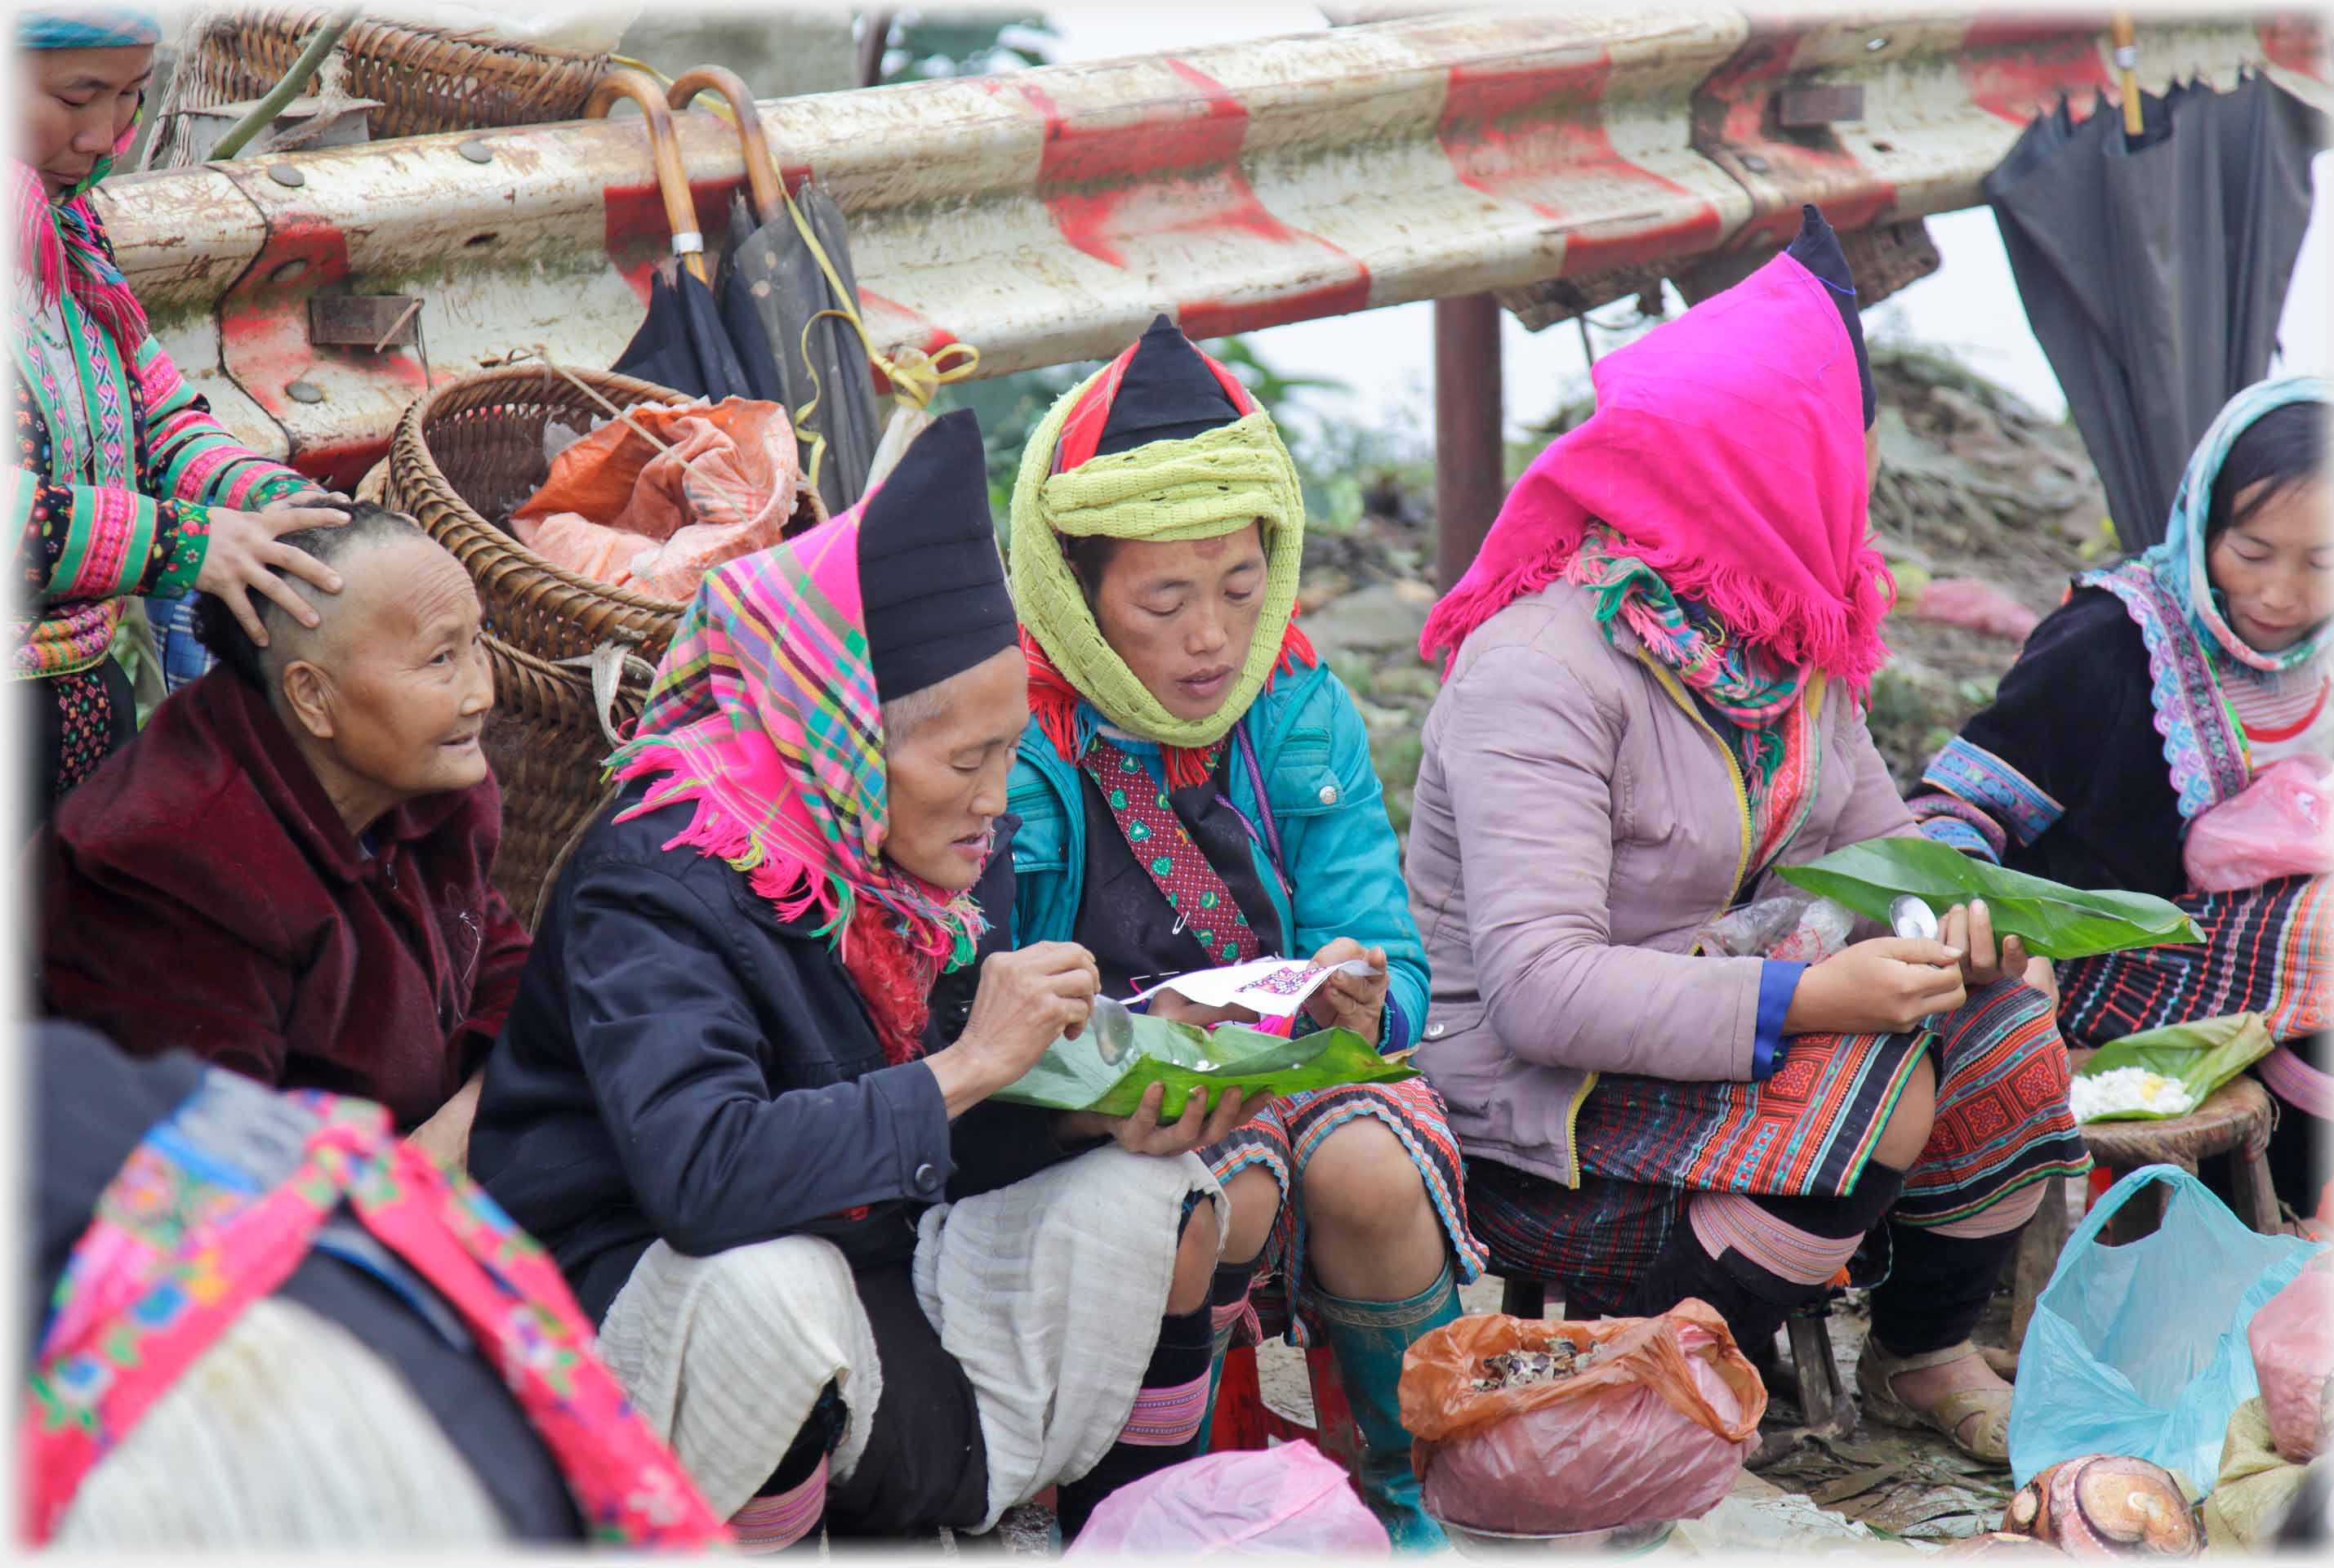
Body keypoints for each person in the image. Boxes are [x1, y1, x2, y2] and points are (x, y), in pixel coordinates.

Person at [467, 412, 1247, 1550]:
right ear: (835, 741)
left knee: (1147, 1199)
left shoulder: (929, 866)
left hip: (868, 1265)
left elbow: (948, 1139)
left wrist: (1101, 1101)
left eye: (1011, 750)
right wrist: (971, 1062)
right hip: (638, 1323)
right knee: (767, 1293)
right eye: (965, 761)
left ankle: (1131, 1538)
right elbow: (702, 1180)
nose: (997, 797)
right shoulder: (660, 878)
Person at [1407, 207, 2089, 1467]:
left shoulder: (1782, 631)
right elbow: (1541, 989)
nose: (1856, 498)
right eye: (1840, 464)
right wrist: (1820, 992)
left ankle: (1919, 1352)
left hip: (1720, 1020)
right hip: (1545, 1090)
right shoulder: (1539, 674)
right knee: (1868, 1079)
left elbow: (1885, 853)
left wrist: (1957, 940)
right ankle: (1647, 1383)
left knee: (2009, 1036)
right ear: (1754, 475)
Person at [1004, 316, 1485, 1548]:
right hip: (1090, 1098)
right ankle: (1137, 1495)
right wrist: (1127, 1042)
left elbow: (1393, 949)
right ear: (1076, 592)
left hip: (1287, 1069)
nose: (1214, 635)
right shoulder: (1019, 746)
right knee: (1220, 1199)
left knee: (1371, 1163)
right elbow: (977, 999)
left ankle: (1407, 1478)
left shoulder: (1298, 710)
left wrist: (1367, 992)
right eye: (1163, 599)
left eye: (1239, 584)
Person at [26, 1020, 728, 1548]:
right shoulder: (198, 859)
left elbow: (511, 985)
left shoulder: (444, 844)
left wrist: (464, 1106)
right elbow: (705, 1172)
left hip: (350, 1306)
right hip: (274, 1369)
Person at [1909, 381, 2334, 1217]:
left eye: (2323, 561)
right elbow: (1948, 815)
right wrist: (1978, 930)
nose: (2283, 594)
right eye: (2251, 553)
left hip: (2256, 957)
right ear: (2200, 521)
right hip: (2093, 964)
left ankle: (2292, 1210)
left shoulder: (2330, 655)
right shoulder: (2112, 641)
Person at [36, 501, 525, 1165]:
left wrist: (456, 1129)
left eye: (477, 643)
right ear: (312, 697)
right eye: (440, 658)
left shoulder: (430, 785)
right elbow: (217, 1174)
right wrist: (426, 1169)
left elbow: (499, 960)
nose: (480, 694)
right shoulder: (168, 866)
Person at [11, 5, 349, 820]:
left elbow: (156, 418)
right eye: (77, 94)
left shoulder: (67, 234)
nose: (106, 135)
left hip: (82, 702)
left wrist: (273, 503)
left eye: (131, 94)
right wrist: (183, 544)